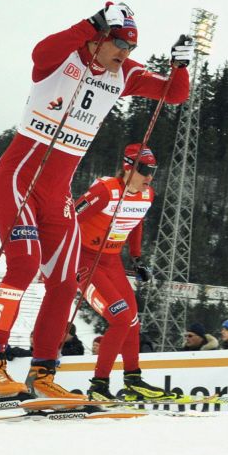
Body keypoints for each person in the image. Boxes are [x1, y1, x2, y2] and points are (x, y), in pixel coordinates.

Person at [0, 3, 194, 402]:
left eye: (131, 48)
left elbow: (174, 94)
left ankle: (42, 373)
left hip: (56, 192)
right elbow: (40, 53)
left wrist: (181, 65)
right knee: (22, 267)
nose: (124, 55)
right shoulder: (62, 58)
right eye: (119, 45)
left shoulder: (122, 74)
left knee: (63, 283)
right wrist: (89, 24)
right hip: (20, 178)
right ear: (99, 38)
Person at [76, 144, 173, 401]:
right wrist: (54, 261)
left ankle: (133, 381)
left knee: (132, 320)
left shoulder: (147, 195)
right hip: (85, 261)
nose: (150, 177)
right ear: (129, 168)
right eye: (145, 170)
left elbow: (136, 223)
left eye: (153, 171)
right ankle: (98, 387)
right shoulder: (105, 191)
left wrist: (138, 258)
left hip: (111, 262)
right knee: (120, 318)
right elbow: (70, 220)